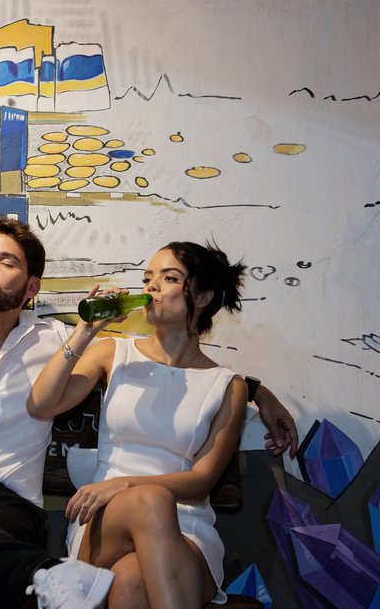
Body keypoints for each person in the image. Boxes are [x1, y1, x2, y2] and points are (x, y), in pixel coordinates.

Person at [0, 217, 298, 609]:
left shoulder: (56, 342)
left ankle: (24, 571)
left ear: (31, 287)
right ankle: (40, 573)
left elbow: (177, 368)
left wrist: (255, 391)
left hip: (2, 512)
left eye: (6, 261)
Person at [27, 241, 251, 607]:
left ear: (204, 296)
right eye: (148, 279)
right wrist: (84, 331)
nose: (152, 287)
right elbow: (41, 404)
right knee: (150, 499)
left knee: (131, 581)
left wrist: (126, 482)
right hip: (106, 519)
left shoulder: (228, 386)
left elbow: (201, 482)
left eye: (169, 278)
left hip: (187, 527)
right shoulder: (113, 352)